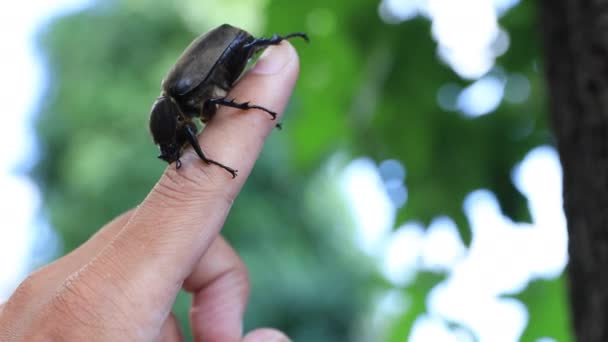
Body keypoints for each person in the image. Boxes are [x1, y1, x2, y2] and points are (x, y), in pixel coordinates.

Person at [0, 42, 299, 342]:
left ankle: (271, 46)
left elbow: (204, 118)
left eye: (171, 146)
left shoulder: (183, 93)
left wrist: (207, 159)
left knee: (216, 105)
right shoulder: (179, 103)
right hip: (226, 56)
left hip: (230, 47)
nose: (173, 151)